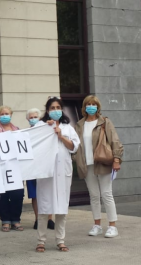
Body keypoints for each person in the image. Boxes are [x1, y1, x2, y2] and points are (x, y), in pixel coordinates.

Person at [74, 95, 123, 238]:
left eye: (93, 104)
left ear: (97, 106)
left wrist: (116, 159)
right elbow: (76, 145)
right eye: (88, 104)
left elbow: (115, 141)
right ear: (84, 107)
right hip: (86, 164)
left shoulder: (104, 122)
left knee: (106, 194)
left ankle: (112, 226)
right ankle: (97, 225)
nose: (91, 106)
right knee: (94, 195)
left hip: (102, 162)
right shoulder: (80, 124)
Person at [35, 97, 80, 253]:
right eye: (52, 108)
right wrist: (44, 130)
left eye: (58, 107)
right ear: (47, 111)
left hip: (63, 172)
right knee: (44, 208)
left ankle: (60, 240)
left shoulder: (68, 128)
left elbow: (74, 147)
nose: (55, 110)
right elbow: (32, 144)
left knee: (61, 208)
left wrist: (61, 136)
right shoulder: (40, 126)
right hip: (46, 172)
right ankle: (41, 241)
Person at [0, 106, 24, 232]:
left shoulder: (17, 130)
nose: (4, 115)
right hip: (0, 168)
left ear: (11, 115)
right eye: (2, 114)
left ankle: (16, 219)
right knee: (2, 196)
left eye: (7, 113)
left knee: (17, 194)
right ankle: (5, 220)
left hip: (15, 167)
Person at [25, 108, 54, 230]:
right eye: (31, 117)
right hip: (31, 167)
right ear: (27, 119)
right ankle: (37, 219)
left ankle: (49, 219)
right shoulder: (24, 133)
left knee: (48, 192)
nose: (33, 119)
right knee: (35, 194)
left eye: (35, 116)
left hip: (45, 165)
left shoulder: (46, 129)